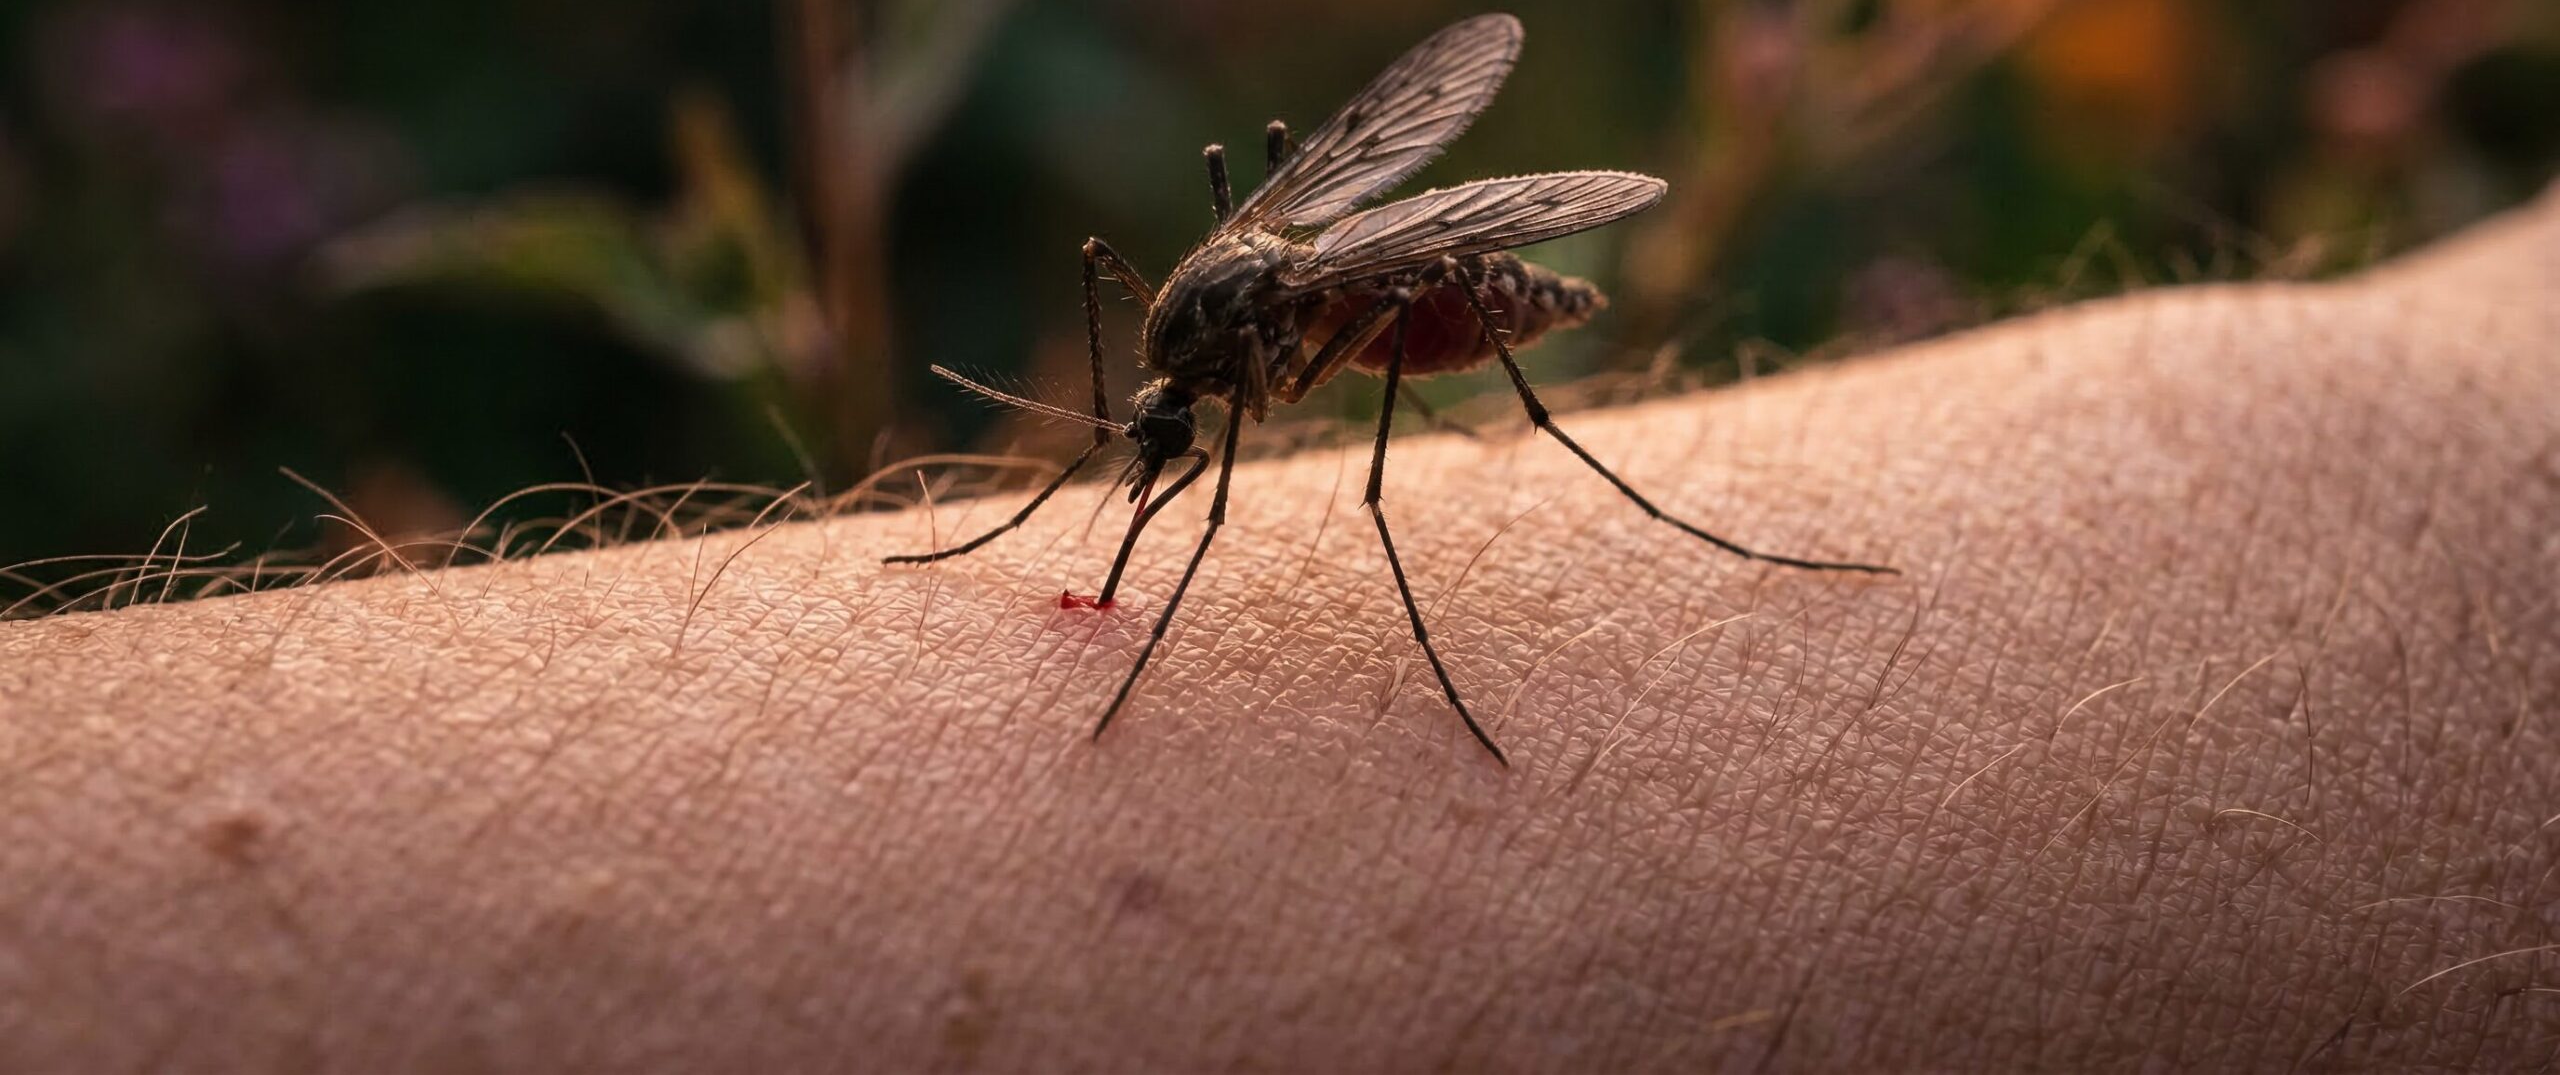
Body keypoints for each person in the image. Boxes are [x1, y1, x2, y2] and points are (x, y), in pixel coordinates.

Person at [2, 188, 2552, 1072]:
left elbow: (1309, 328)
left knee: (1401, 468)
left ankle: (1610, 538)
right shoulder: (1188, 339)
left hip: (1404, 284)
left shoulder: (1274, 335)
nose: (1153, 421)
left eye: (1141, 413)